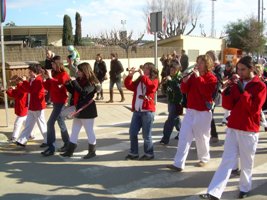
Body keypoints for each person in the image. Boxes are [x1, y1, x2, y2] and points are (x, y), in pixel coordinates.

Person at [199, 56, 266, 200]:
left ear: (251, 69)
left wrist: (243, 92)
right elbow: (228, 106)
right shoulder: (237, 84)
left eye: (243, 70)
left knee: (247, 162)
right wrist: (227, 92)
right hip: (233, 127)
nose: (240, 73)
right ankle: (214, 192)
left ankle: (244, 187)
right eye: (238, 70)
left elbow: (254, 109)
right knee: (227, 160)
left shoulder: (260, 86)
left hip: (248, 130)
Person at [167, 54, 217, 171]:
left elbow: (205, 92)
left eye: (201, 63)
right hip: (190, 110)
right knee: (184, 136)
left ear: (207, 64)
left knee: (202, 138)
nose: (198, 65)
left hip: (203, 112)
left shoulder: (211, 78)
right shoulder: (194, 76)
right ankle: (178, 164)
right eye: (197, 62)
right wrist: (185, 81)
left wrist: (199, 77)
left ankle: (204, 159)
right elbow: (184, 90)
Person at [60, 62, 100, 159]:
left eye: (79, 70)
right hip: (79, 109)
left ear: (84, 71)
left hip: (87, 110)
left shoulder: (91, 82)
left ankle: (92, 151)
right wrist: (67, 84)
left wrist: (74, 82)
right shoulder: (79, 80)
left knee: (89, 131)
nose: (77, 72)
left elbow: (83, 93)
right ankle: (70, 151)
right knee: (74, 131)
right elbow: (74, 91)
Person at [124, 62, 159, 160]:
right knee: (132, 132)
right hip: (137, 110)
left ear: (151, 70)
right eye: (144, 68)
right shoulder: (141, 79)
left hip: (147, 111)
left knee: (146, 135)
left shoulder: (154, 80)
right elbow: (129, 86)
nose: (144, 69)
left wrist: (143, 76)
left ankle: (149, 154)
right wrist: (130, 76)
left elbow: (152, 87)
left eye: (147, 68)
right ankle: (134, 153)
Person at [41, 56, 71, 156]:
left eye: (53, 64)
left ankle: (51, 146)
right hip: (55, 101)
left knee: (50, 123)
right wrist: (44, 79)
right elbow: (48, 87)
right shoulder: (54, 74)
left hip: (61, 102)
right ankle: (67, 143)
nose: (51, 65)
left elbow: (60, 85)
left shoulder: (64, 74)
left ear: (57, 64)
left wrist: (50, 78)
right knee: (60, 122)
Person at [16, 64, 47, 147]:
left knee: (42, 125)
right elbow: (26, 89)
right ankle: (22, 140)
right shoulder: (32, 79)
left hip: (38, 106)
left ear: (35, 71)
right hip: (32, 106)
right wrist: (21, 82)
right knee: (28, 124)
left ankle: (47, 140)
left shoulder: (38, 80)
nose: (29, 72)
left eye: (30, 71)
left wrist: (25, 81)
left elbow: (31, 90)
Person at [159, 62, 183, 145]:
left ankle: (165, 139)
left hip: (177, 102)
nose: (171, 71)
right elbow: (167, 90)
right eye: (171, 69)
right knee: (176, 119)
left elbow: (179, 89)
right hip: (171, 101)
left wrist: (171, 81)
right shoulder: (171, 77)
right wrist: (164, 84)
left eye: (173, 70)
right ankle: (182, 133)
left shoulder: (180, 77)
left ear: (177, 70)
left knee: (169, 121)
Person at [206, 50, 224, 144]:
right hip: (208, 94)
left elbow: (219, 80)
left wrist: (211, 71)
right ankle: (210, 134)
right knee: (207, 115)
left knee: (210, 115)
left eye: (208, 57)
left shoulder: (218, 68)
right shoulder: (210, 67)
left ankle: (214, 135)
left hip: (214, 95)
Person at [5, 76, 30, 142]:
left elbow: (16, 93)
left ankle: (14, 137)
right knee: (25, 123)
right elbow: (14, 93)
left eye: (16, 81)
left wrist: (10, 89)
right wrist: (9, 89)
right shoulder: (20, 87)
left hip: (22, 108)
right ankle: (30, 134)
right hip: (22, 108)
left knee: (17, 123)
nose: (15, 82)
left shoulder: (22, 87)